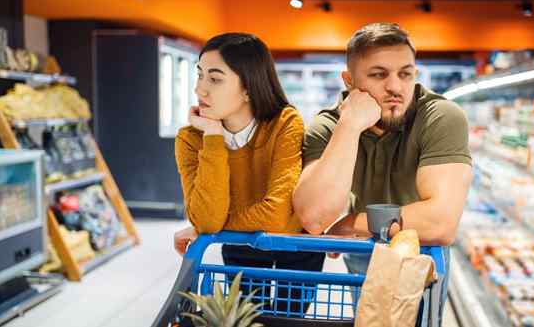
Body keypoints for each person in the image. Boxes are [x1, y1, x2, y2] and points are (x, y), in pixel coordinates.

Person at [292, 22, 473, 323]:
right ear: (349, 81)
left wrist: (352, 223)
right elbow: (313, 216)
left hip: (420, 257)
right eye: (378, 75)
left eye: (405, 73)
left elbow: (440, 222)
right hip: (362, 254)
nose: (395, 87)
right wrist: (350, 125)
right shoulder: (328, 126)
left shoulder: (441, 117)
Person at [173, 33, 325, 314]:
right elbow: (207, 219)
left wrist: (217, 225)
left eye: (215, 79)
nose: (200, 90)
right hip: (240, 246)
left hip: (296, 245)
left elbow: (277, 216)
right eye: (200, 75)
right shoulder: (192, 139)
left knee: (289, 322)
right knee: (248, 319)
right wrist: (214, 138)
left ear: (248, 88)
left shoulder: (284, 123)